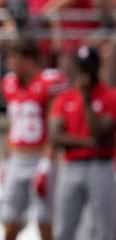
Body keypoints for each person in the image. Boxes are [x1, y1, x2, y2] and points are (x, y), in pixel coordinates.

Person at [0, 38, 68, 240]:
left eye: (13, 58)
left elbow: (54, 127)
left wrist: (47, 162)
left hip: (40, 158)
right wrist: (6, 160)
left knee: (45, 223)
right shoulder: (9, 84)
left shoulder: (48, 83)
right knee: (9, 222)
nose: (9, 64)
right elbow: (12, 124)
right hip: (17, 159)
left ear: (29, 60)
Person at [49, 46, 116, 240]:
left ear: (97, 66)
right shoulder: (64, 97)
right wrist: (90, 142)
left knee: (105, 231)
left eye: (89, 66)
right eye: (82, 66)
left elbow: (101, 133)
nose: (85, 71)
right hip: (71, 166)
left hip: (100, 166)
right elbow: (56, 138)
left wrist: (86, 98)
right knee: (64, 229)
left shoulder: (110, 95)